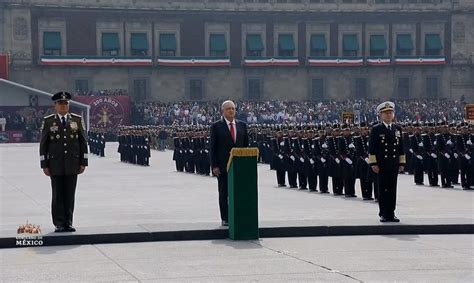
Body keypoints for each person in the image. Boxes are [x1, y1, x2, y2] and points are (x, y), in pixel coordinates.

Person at [39, 91, 88, 232]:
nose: (63, 106)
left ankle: (69, 222)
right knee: (57, 195)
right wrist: (44, 164)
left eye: (66, 103)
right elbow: (44, 145)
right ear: (55, 105)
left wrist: (83, 162)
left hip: (72, 164)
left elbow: (83, 142)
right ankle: (59, 223)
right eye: (61, 103)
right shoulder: (49, 121)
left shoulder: (76, 120)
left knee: (70, 195)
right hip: (55, 164)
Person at [210, 100, 249, 226]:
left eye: (233, 108)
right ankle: (225, 217)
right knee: (224, 192)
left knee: (239, 192)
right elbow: (212, 148)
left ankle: (238, 215)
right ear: (223, 111)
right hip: (222, 167)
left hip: (239, 166)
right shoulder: (216, 126)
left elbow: (246, 147)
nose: (231, 111)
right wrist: (214, 166)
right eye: (228, 109)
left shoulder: (242, 125)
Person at [368, 101, 405, 223]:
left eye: (391, 112)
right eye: (386, 113)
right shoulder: (376, 129)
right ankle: (383, 213)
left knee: (392, 189)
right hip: (381, 164)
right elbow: (372, 149)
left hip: (393, 164)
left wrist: (401, 163)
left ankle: (391, 213)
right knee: (383, 189)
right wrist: (373, 164)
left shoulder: (397, 128)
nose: (389, 115)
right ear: (380, 115)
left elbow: (401, 148)